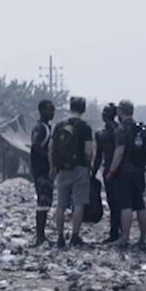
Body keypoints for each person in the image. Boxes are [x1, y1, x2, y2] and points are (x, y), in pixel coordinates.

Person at [50, 96, 97, 247]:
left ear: (70, 107)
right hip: (80, 168)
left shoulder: (60, 125)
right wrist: (89, 165)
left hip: (62, 169)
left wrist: (53, 167)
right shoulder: (85, 127)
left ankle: (60, 237)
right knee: (79, 203)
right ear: (83, 109)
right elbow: (89, 151)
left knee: (61, 204)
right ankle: (75, 236)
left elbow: (51, 148)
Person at [105, 99, 146, 250]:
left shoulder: (121, 129)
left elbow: (119, 152)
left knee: (126, 206)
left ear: (121, 112)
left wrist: (111, 171)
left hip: (124, 172)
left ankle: (125, 237)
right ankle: (143, 238)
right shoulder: (141, 128)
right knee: (140, 204)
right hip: (139, 171)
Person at [28, 99, 56, 247]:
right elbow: (35, 144)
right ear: (42, 111)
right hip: (42, 171)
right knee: (43, 203)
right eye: (49, 110)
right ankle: (40, 236)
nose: (52, 112)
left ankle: (41, 235)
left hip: (43, 171)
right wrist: (48, 157)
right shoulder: (41, 128)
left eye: (53, 110)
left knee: (45, 202)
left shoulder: (46, 127)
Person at [95, 103, 122, 242]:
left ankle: (116, 232)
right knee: (116, 202)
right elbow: (98, 155)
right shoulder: (117, 130)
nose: (104, 114)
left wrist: (93, 172)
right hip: (115, 170)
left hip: (114, 170)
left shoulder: (107, 132)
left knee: (116, 202)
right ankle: (117, 232)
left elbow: (99, 156)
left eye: (107, 111)